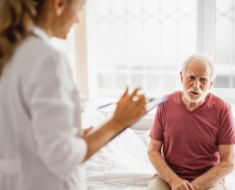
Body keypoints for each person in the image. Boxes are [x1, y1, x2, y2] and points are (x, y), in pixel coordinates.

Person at [0, 0, 146, 190]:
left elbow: (22, 132)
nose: (78, 19)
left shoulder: (10, 53)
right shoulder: (46, 59)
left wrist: (67, 133)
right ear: (59, 4)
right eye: (80, 8)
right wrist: (117, 122)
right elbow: (63, 157)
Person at [147, 54, 235, 190]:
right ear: (182, 77)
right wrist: (174, 181)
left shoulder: (223, 110)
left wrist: (193, 187)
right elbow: (153, 150)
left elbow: (228, 162)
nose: (196, 85)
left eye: (203, 80)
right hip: (169, 177)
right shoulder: (165, 104)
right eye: (192, 77)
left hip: (207, 181)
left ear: (210, 84)